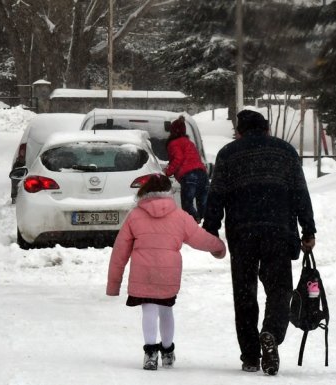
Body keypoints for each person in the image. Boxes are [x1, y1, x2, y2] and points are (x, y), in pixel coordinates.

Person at [202, 109, 316, 375]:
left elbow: (216, 194)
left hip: (242, 233)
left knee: (244, 293)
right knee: (279, 288)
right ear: (266, 129)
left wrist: (211, 229)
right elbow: (300, 192)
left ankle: (251, 356)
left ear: (240, 131)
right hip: (278, 230)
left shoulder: (228, 154)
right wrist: (308, 229)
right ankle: (271, 333)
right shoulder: (285, 151)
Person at [106, 174, 226, 371]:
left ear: (144, 192)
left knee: (149, 309)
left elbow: (120, 251)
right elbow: (199, 237)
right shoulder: (179, 216)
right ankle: (168, 352)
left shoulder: (134, 215)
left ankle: (150, 353)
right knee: (166, 310)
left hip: (143, 272)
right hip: (168, 273)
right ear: (168, 192)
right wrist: (218, 246)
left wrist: (113, 284)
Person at [164, 116, 209, 222]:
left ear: (172, 131)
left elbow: (178, 158)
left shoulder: (173, 143)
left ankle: (195, 221)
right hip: (202, 174)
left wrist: (168, 171)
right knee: (203, 204)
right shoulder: (189, 143)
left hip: (189, 176)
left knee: (187, 205)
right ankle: (206, 225)